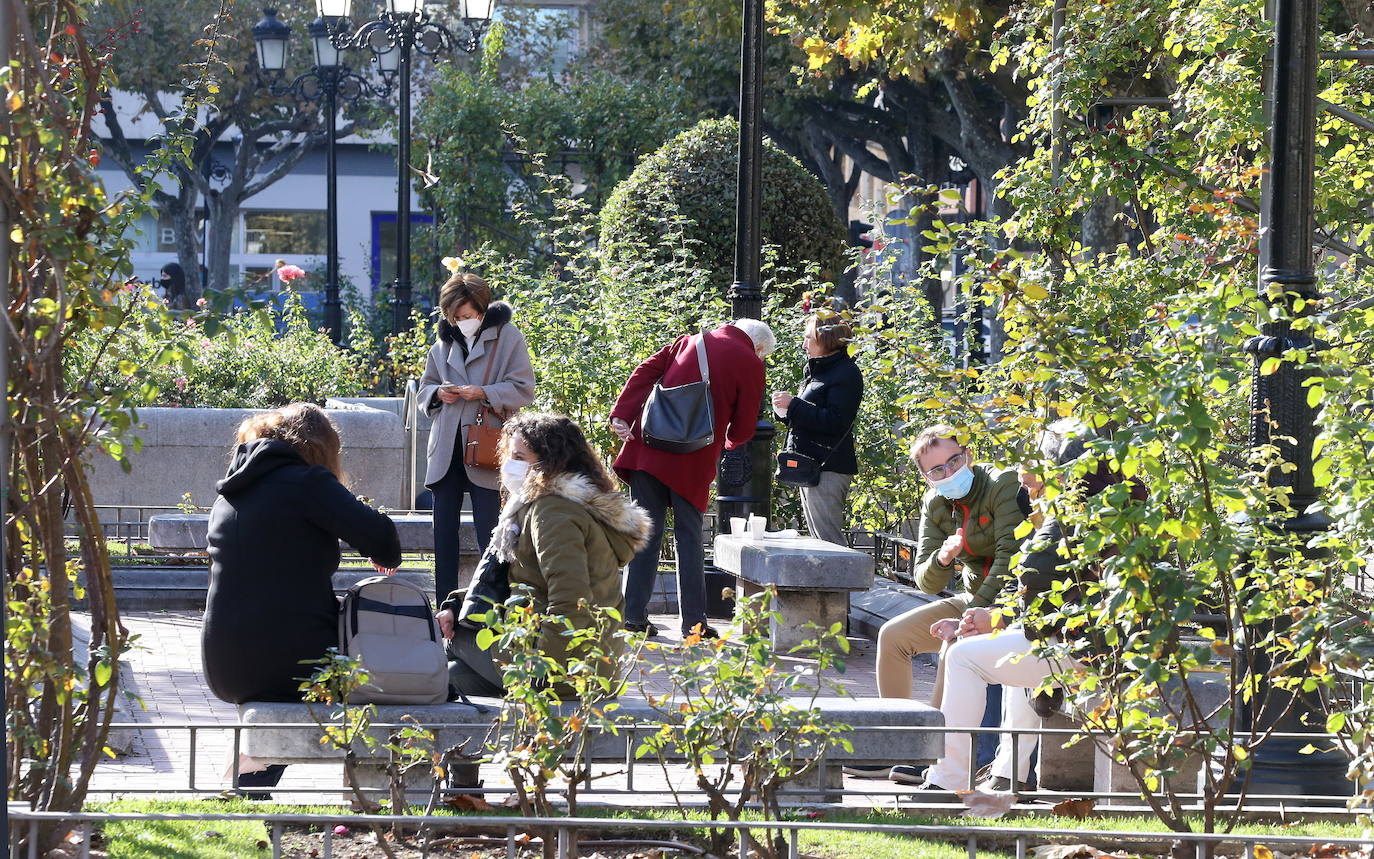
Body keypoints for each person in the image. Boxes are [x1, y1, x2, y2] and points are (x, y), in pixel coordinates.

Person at [910, 420, 1132, 799]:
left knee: (965, 657)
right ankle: (1009, 774)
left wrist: (989, 618)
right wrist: (989, 619)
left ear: (1059, 475)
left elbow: (1035, 609)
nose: (1026, 488)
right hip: (1109, 643)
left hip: (1091, 653)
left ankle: (948, 782)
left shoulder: (1061, 527)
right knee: (1011, 651)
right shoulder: (1123, 503)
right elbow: (1045, 601)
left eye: (1033, 480)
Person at [202, 403, 401, 793]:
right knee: (396, 680)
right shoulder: (307, 482)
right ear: (321, 446)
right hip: (287, 662)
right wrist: (381, 554)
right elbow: (383, 539)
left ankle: (245, 786)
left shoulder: (231, 491)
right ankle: (388, 795)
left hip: (223, 661)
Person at [435, 413, 651, 696]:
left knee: (450, 639)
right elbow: (523, 581)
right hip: (582, 659)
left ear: (548, 462)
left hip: (568, 666)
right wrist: (457, 605)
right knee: (446, 677)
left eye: (518, 457)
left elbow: (570, 603)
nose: (508, 465)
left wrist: (541, 672)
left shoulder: (553, 511)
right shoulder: (548, 504)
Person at [869, 424, 1027, 784]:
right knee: (893, 637)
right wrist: (943, 559)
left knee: (950, 647)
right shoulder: (935, 503)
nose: (949, 473)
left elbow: (1009, 558)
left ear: (967, 455)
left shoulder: (1000, 483)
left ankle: (933, 754)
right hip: (973, 598)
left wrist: (975, 616)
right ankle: (899, 745)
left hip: (1009, 603)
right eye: (937, 470)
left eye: (954, 461)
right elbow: (925, 581)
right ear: (927, 478)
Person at [610, 318, 774, 638]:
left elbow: (644, 372)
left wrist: (622, 414)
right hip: (693, 459)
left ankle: (633, 616)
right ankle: (694, 624)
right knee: (689, 538)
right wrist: (728, 441)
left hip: (650, 448)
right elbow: (744, 426)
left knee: (646, 534)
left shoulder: (690, 341)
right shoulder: (750, 362)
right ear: (757, 347)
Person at [417, 271, 535, 606]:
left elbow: (524, 388)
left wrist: (483, 391)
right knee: (443, 538)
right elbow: (424, 389)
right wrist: (439, 393)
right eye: (454, 317)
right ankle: (445, 610)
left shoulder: (507, 336)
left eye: (467, 316)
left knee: (492, 535)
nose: (460, 322)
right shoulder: (444, 341)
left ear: (482, 310)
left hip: (487, 444)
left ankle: (491, 607)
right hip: (446, 449)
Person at [771, 312, 863, 546]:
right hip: (812, 465)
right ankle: (831, 583)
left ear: (827, 339)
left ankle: (846, 583)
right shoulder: (818, 370)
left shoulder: (845, 372)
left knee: (829, 541)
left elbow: (836, 420)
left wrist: (794, 405)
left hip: (828, 468)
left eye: (808, 338)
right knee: (822, 540)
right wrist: (785, 412)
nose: (804, 345)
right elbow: (811, 417)